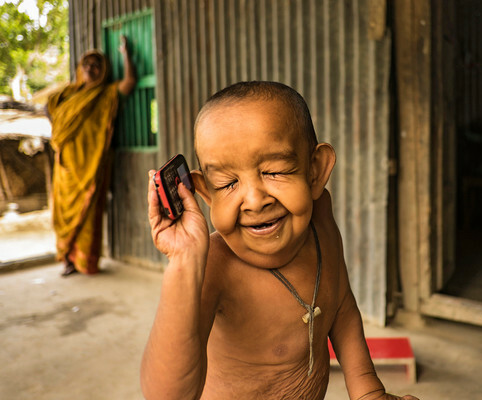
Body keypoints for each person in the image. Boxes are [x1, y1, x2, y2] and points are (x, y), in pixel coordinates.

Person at [141, 81, 419, 400]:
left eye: (274, 171)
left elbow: (341, 306)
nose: (255, 200)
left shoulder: (321, 220)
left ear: (315, 171)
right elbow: (166, 396)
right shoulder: (214, 266)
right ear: (205, 194)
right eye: (228, 183)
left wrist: (368, 390)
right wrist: (184, 265)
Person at [46, 36, 136, 276]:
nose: (90, 68)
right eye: (86, 64)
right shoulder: (66, 95)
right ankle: (67, 260)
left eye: (96, 65)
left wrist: (125, 54)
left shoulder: (106, 94)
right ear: (79, 68)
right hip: (65, 166)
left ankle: (85, 262)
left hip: (90, 166)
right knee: (62, 213)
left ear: (103, 70)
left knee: (87, 216)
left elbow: (129, 82)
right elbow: (51, 112)